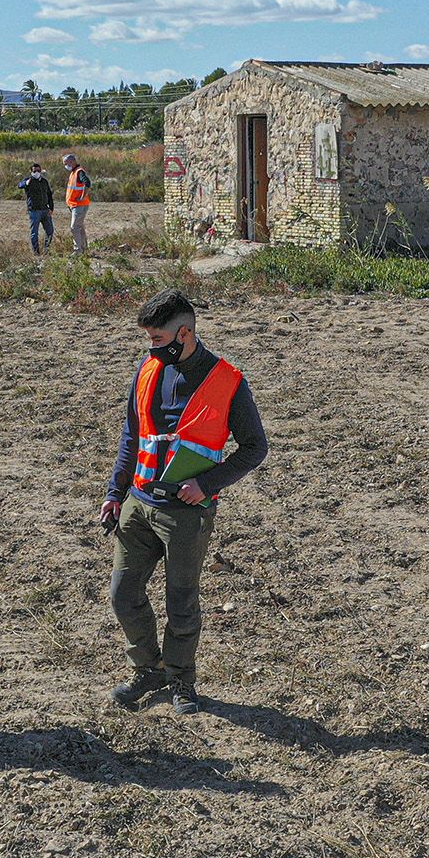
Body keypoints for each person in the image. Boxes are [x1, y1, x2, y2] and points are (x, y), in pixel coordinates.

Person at [100, 290, 268, 712]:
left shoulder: (228, 381)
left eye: (157, 339)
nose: (150, 347)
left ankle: (180, 681)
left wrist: (207, 485)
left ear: (185, 333)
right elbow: (131, 437)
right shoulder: (148, 368)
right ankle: (147, 669)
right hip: (138, 504)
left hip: (185, 514)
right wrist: (114, 493)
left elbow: (254, 447)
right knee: (123, 594)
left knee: (181, 601)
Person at [20, 162, 55, 255]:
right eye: (35, 171)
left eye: (39, 170)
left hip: (45, 210)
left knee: (50, 231)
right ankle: (36, 252)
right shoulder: (29, 181)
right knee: (34, 232)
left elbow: (49, 195)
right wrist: (26, 183)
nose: (37, 172)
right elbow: (20, 185)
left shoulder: (44, 182)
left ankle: (46, 251)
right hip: (34, 211)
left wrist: (51, 208)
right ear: (31, 171)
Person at [62, 152, 91, 255]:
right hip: (75, 205)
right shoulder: (74, 172)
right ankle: (84, 248)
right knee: (80, 227)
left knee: (74, 228)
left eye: (67, 163)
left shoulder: (79, 172)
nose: (66, 166)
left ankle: (78, 250)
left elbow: (87, 183)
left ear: (72, 161)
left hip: (79, 205)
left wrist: (82, 196)